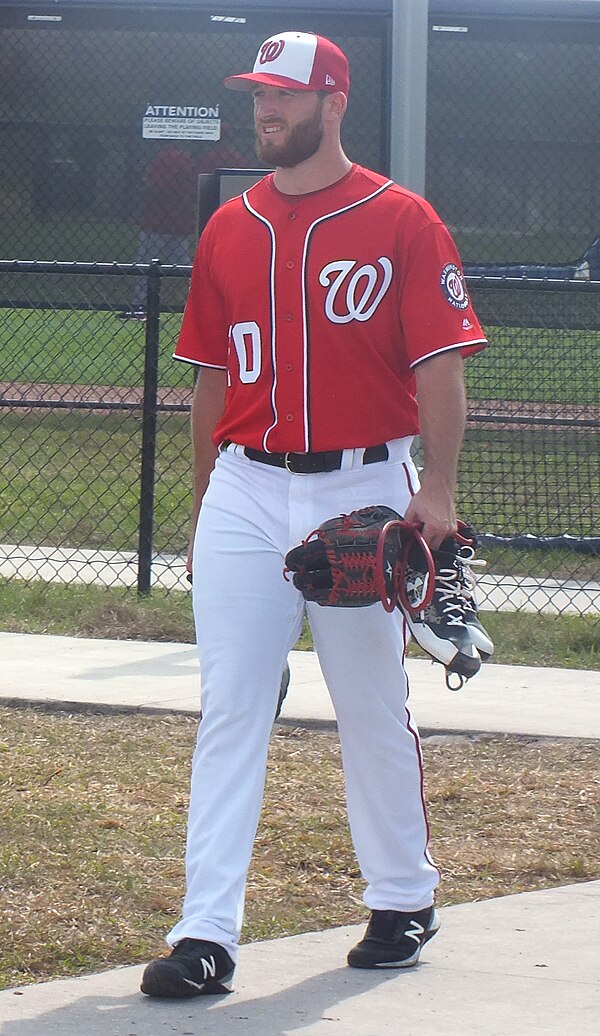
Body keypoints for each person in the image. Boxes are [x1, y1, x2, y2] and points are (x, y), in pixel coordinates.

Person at [140, 31, 487, 999]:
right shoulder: (229, 224)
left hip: (363, 486)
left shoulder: (402, 219)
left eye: (285, 97)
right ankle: (205, 933)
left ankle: (404, 894)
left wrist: (438, 495)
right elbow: (209, 382)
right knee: (231, 708)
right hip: (247, 486)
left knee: (370, 703)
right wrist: (207, 504)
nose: (267, 111)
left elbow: (441, 366)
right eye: (259, 94)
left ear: (334, 101)